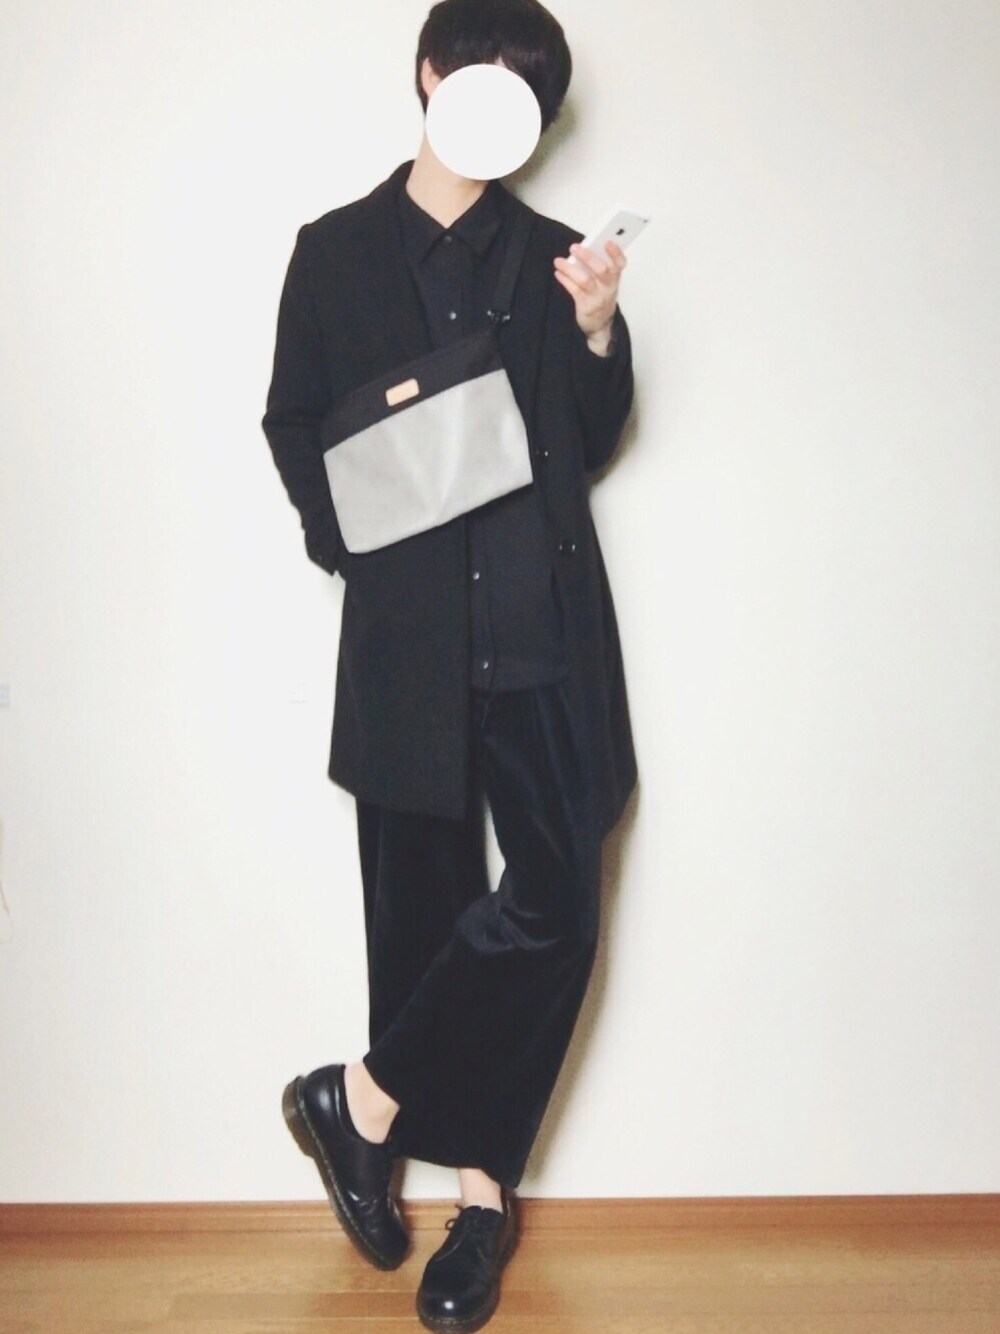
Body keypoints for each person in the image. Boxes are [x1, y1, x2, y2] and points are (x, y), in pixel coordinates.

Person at [262, 2, 637, 1329]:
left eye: (532, 90)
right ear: (431, 75)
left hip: (542, 631)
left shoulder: (554, 256)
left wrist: (596, 331)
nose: (503, 104)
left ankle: (360, 1104)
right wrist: (358, 538)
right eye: (486, 74)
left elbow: (590, 439)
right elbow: (293, 424)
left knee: (556, 906)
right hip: (409, 647)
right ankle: (475, 1201)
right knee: (419, 924)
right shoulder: (333, 251)